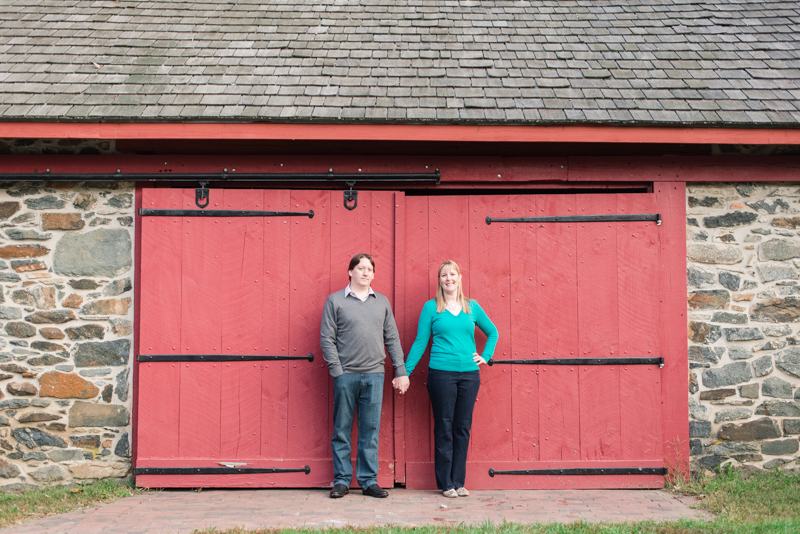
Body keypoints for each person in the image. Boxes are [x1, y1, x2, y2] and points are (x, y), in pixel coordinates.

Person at [399, 260, 498, 498]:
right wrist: (405, 371)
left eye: (453, 274)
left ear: (460, 278)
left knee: (462, 428)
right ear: (439, 281)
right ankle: (446, 484)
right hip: (441, 374)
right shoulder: (431, 308)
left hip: (469, 375)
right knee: (444, 427)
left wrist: (485, 356)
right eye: (444, 275)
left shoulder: (471, 307)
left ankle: (459, 481)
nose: (449, 278)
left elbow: (492, 332)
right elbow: (421, 341)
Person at [320, 253, 409, 499]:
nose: (365, 272)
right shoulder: (335, 301)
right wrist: (337, 371)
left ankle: (369, 481)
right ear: (350, 272)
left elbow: (391, 337)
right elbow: (327, 339)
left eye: (369, 269)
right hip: (346, 375)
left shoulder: (381, 302)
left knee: (370, 430)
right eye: (360, 268)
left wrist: (400, 370)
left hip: (374, 376)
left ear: (373, 274)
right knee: (342, 429)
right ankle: (341, 480)